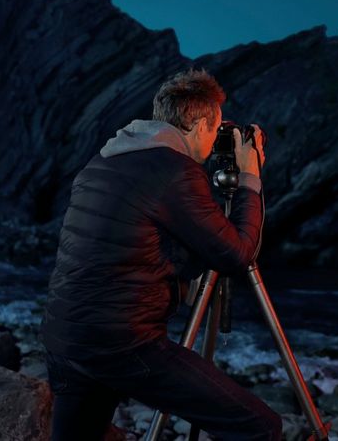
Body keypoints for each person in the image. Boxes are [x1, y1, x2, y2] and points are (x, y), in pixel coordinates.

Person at [39, 68, 281, 440]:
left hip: (65, 335)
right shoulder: (174, 170)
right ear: (200, 124)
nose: (215, 140)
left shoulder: (103, 161)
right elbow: (236, 255)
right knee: (261, 427)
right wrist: (249, 175)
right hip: (121, 343)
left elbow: (142, 240)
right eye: (216, 129)